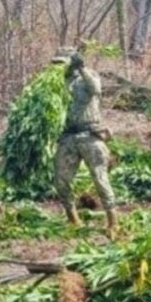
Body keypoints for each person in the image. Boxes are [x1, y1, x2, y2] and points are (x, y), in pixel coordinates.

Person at [52, 47, 117, 237]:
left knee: (100, 179)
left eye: (63, 62)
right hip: (68, 137)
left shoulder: (87, 77)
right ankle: (73, 219)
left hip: (90, 134)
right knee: (61, 180)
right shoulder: (58, 83)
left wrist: (82, 68)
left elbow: (96, 90)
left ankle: (112, 221)